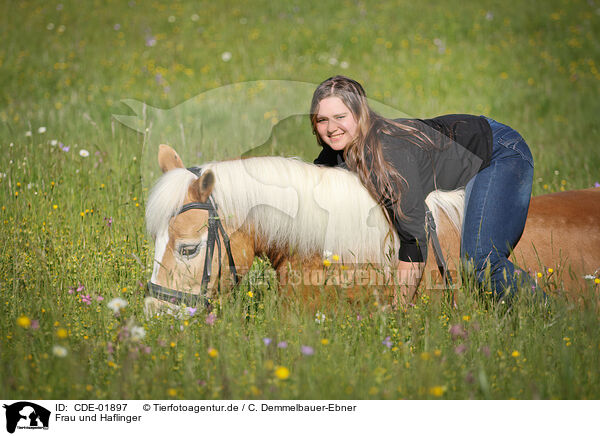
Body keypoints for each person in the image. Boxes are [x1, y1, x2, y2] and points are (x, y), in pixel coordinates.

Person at [311, 75, 535, 306]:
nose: (330, 128)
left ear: (361, 115)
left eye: (340, 117)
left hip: (499, 150)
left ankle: (547, 310)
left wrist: (398, 312)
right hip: (464, 136)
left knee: (480, 262)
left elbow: (414, 241)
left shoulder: (389, 156)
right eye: (322, 120)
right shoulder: (335, 152)